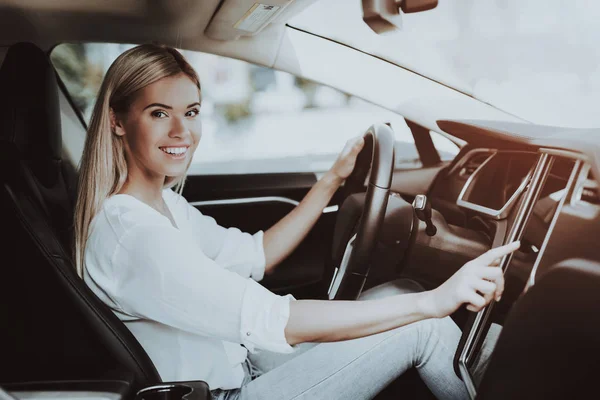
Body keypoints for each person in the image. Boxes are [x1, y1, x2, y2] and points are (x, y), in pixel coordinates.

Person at [74, 44, 519, 400]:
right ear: (116, 121)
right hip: (230, 392)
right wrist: (439, 301)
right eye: (159, 113)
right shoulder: (132, 235)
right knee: (421, 323)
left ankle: (522, 362)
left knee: (400, 294)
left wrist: (332, 180)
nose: (182, 132)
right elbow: (275, 319)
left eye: (190, 112)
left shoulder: (161, 205)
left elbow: (257, 254)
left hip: (245, 363)